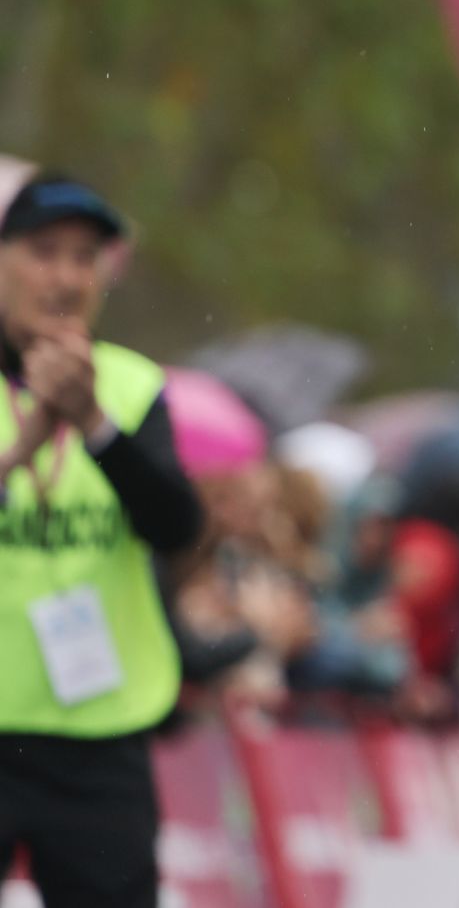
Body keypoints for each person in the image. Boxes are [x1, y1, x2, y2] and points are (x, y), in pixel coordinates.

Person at [0, 173, 204, 906]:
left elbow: (177, 525)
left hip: (98, 734)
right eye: (43, 252)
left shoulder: (132, 386)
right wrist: (18, 455)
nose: (65, 276)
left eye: (85, 259)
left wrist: (95, 427)